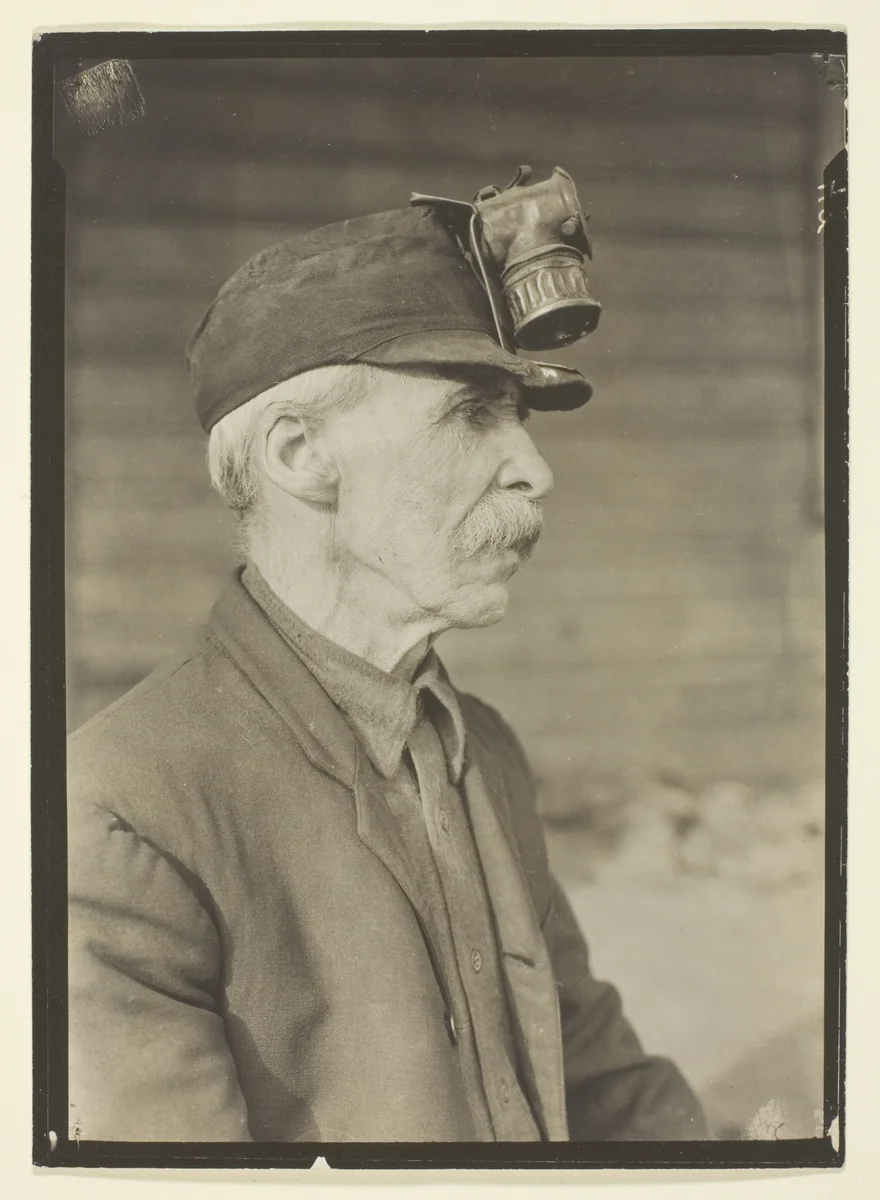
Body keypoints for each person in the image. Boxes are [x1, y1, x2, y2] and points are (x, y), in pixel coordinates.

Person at [67, 189, 708, 1143]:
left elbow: (601, 1080)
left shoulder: (483, 747)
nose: (536, 470)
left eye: (519, 416)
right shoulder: (119, 811)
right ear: (300, 454)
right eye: (471, 414)